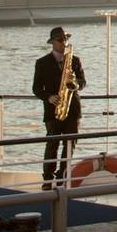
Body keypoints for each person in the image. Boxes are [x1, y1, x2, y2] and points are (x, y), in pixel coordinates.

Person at [32, 27, 86, 190]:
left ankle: (62, 178)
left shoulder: (75, 60)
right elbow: (36, 88)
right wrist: (49, 97)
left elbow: (82, 83)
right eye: (60, 40)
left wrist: (75, 81)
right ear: (53, 43)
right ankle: (48, 180)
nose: (64, 43)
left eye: (65, 40)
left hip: (72, 109)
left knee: (70, 145)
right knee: (52, 145)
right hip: (53, 110)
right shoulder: (41, 63)